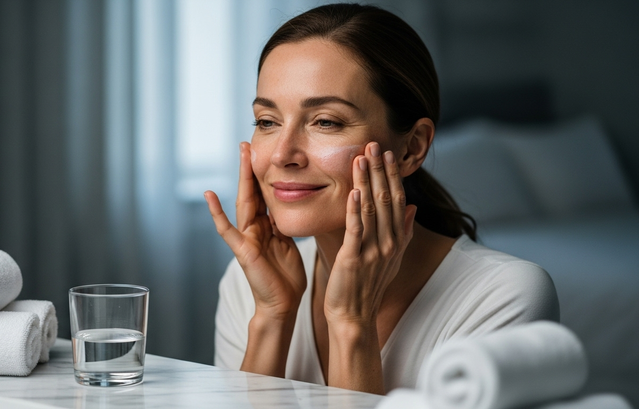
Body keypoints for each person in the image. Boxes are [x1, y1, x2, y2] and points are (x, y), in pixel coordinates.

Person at [204, 3, 559, 395]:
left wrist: (351, 323)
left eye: (326, 122)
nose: (283, 154)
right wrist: (273, 317)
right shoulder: (250, 283)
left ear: (411, 148)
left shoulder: (505, 295)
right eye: (267, 122)